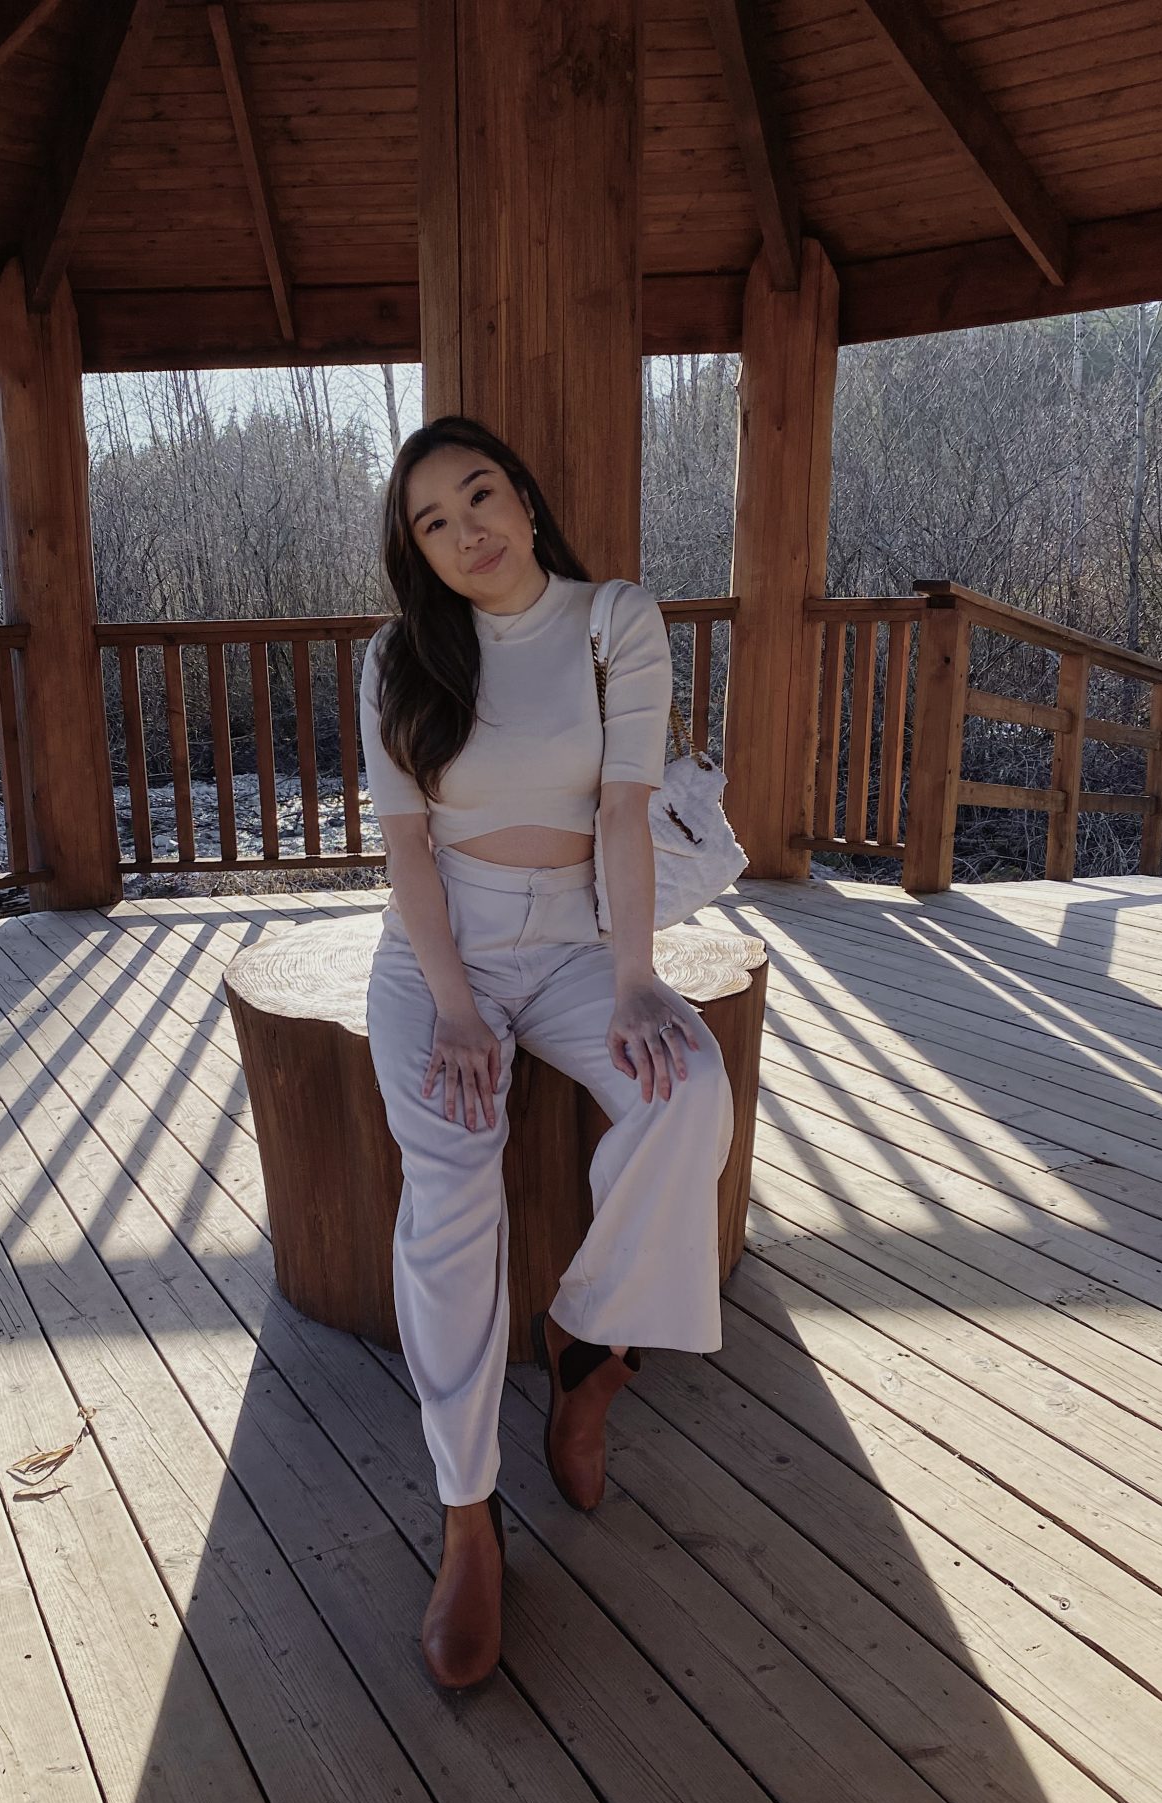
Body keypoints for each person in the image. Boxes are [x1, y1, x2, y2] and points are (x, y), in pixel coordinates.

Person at [359, 414, 735, 1691]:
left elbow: (623, 808)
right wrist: (457, 1006)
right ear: (416, 551)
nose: (468, 529)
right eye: (432, 521)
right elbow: (407, 852)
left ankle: (589, 1346)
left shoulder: (610, 619)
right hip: (439, 952)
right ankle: (468, 1514)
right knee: (453, 1167)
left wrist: (636, 978)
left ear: (522, 494)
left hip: (579, 937)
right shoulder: (399, 661)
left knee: (689, 1092)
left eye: (480, 496)